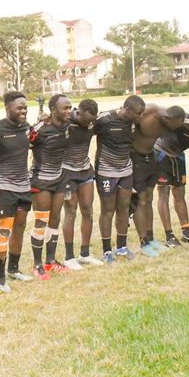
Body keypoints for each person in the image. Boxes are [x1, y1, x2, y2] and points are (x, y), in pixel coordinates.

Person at [0, 91, 32, 291]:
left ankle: (14, 269)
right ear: (7, 109)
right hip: (3, 186)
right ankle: (0, 278)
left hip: (24, 185)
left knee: (20, 226)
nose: (23, 111)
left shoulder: (27, 128)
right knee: (4, 230)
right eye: (19, 108)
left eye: (25, 107)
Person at [94, 95, 145, 263]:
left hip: (126, 171)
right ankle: (107, 250)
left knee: (123, 208)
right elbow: (84, 129)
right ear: (127, 110)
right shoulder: (104, 120)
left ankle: (121, 247)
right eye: (138, 113)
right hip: (106, 171)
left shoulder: (133, 121)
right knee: (108, 210)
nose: (140, 117)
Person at [130, 104, 185, 254]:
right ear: (167, 118)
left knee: (148, 198)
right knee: (140, 199)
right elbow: (126, 118)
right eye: (173, 126)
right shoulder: (150, 112)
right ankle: (143, 243)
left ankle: (150, 238)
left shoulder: (172, 123)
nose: (172, 130)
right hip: (135, 158)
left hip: (151, 156)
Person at [29, 94, 72, 279]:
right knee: (41, 222)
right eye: (65, 108)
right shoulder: (41, 129)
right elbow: (22, 142)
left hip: (60, 178)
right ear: (53, 110)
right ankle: (37, 264)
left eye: (70, 107)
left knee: (55, 219)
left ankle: (50, 261)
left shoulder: (70, 125)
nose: (69, 111)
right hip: (41, 180)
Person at [61, 99, 103, 268]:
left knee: (88, 210)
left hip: (85, 170)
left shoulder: (93, 123)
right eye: (86, 121)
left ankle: (84, 254)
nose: (89, 125)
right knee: (70, 211)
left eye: (92, 121)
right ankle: (69, 257)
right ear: (77, 112)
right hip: (67, 172)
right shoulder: (65, 123)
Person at [152, 108, 189, 246]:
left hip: (178, 155)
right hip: (161, 154)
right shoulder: (165, 117)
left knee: (180, 193)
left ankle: (187, 231)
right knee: (163, 194)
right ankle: (169, 236)